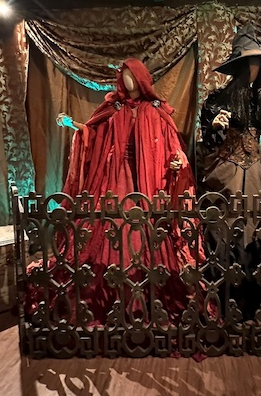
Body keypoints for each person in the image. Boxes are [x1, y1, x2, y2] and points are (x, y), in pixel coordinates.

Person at [26, 58, 203, 326]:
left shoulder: (156, 111)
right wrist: (75, 126)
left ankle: (147, 296)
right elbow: (93, 134)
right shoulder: (113, 108)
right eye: (124, 75)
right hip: (115, 179)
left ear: (142, 79)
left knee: (147, 232)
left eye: (132, 75)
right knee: (111, 227)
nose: (127, 81)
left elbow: (171, 145)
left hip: (147, 181)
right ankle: (107, 297)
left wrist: (176, 160)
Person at [199, 23, 261, 320]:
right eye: (252, 62)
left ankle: (249, 304)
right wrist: (216, 128)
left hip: (254, 174)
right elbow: (208, 143)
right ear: (241, 67)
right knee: (223, 232)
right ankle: (222, 301)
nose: (257, 68)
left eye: (258, 63)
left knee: (253, 230)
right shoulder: (217, 100)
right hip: (225, 175)